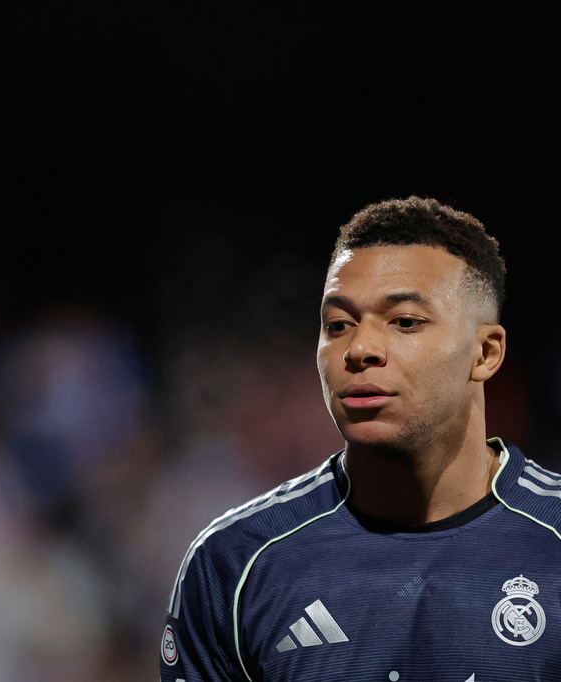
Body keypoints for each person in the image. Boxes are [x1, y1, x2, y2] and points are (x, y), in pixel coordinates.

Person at [160, 196, 561, 681]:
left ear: (486, 352)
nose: (360, 349)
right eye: (338, 325)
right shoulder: (236, 562)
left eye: (405, 322)